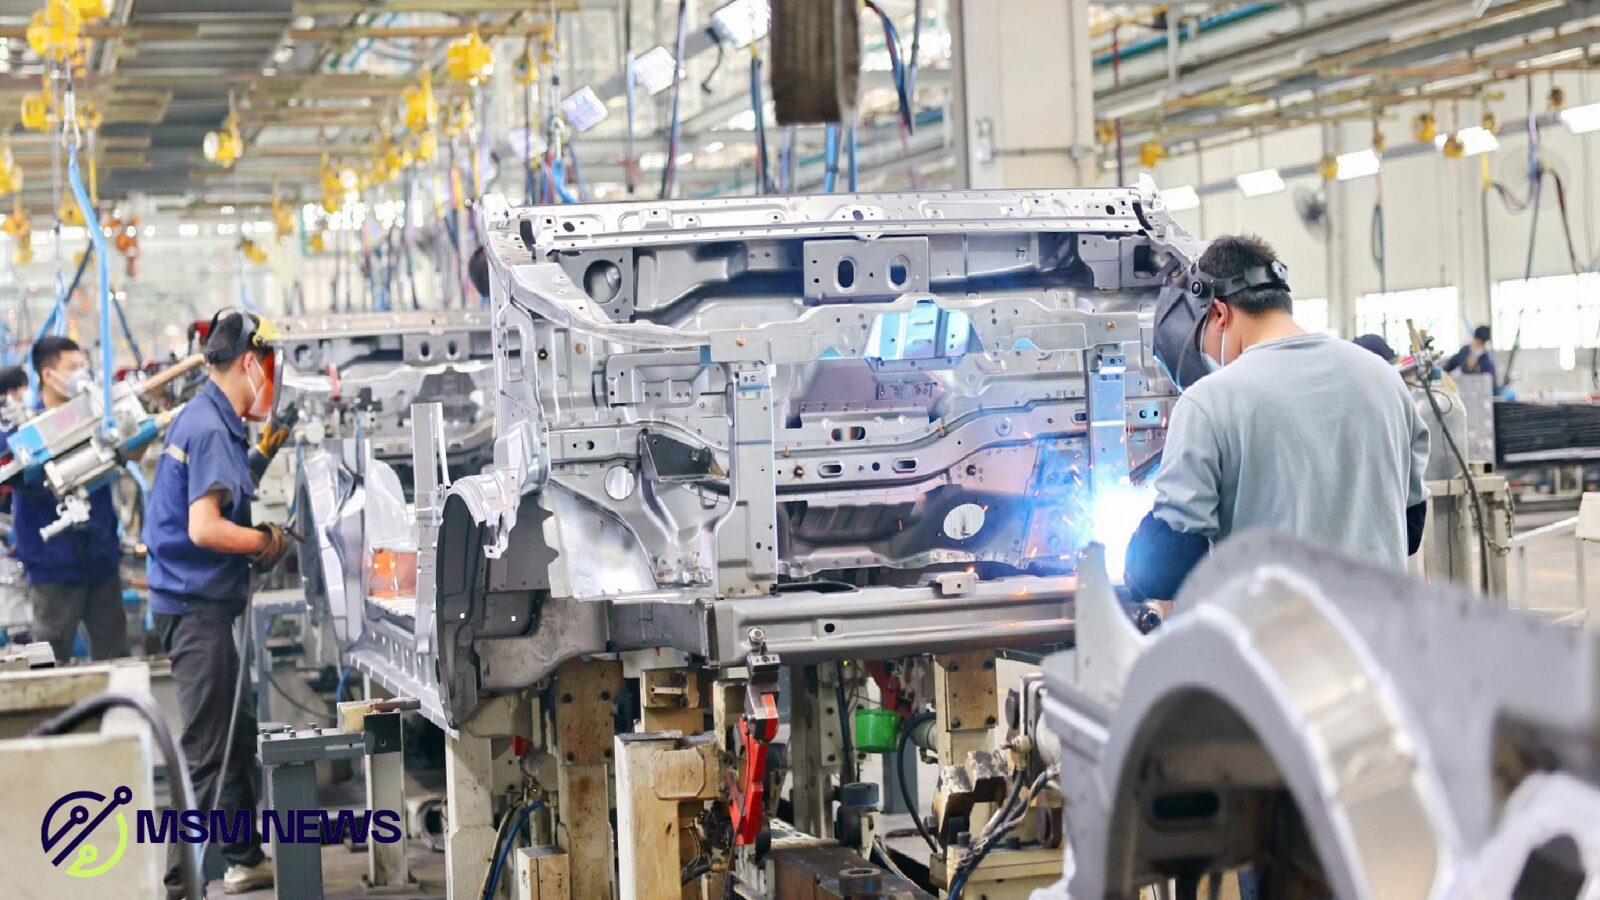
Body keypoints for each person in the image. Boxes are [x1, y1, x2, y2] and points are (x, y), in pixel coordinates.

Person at [1127, 235, 1430, 607]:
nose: (1208, 357)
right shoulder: (1384, 379)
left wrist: (1135, 563)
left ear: (1219, 313)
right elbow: (1410, 528)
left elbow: (1165, 568)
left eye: (1202, 343)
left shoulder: (1210, 400)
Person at [143, 310, 292, 897]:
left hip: (197, 601)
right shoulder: (209, 426)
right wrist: (264, 542)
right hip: (194, 608)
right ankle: (180, 886)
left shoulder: (208, 417)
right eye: (269, 370)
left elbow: (220, 490)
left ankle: (243, 857)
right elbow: (205, 527)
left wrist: (262, 456)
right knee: (208, 750)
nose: (269, 384)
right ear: (251, 363)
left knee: (235, 730)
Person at [11, 336, 129, 663]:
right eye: (73, 367)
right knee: (48, 661)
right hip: (52, 564)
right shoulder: (25, 432)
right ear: (49, 375)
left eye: (84, 365)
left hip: (100, 558)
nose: (82, 374)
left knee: (116, 658)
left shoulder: (96, 417)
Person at [1443, 324, 1498, 395]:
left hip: (1479, 395)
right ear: (1474, 338)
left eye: (1481, 343)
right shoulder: (1464, 351)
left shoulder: (1487, 361)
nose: (1478, 344)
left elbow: (1492, 386)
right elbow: (1449, 366)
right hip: (1464, 392)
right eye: (1477, 341)